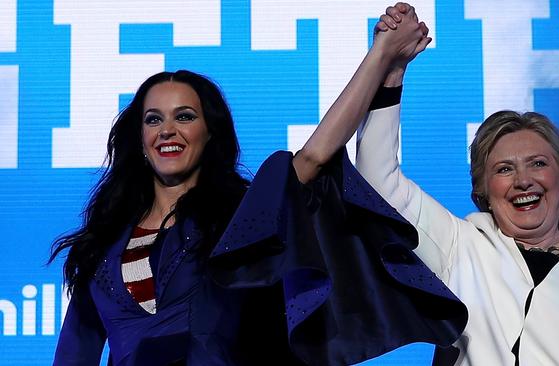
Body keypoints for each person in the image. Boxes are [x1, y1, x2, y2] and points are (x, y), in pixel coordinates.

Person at [50, 7, 469, 366]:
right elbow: (74, 354)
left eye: (185, 117)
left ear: (210, 133)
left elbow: (314, 156)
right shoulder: (99, 247)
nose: (168, 130)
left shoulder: (240, 218)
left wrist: (383, 58)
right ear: (139, 139)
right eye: (154, 119)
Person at [355, 3, 559, 365]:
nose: (523, 180)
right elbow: (376, 180)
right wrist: (391, 70)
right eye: (504, 169)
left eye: (538, 164)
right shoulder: (460, 247)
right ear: (483, 192)